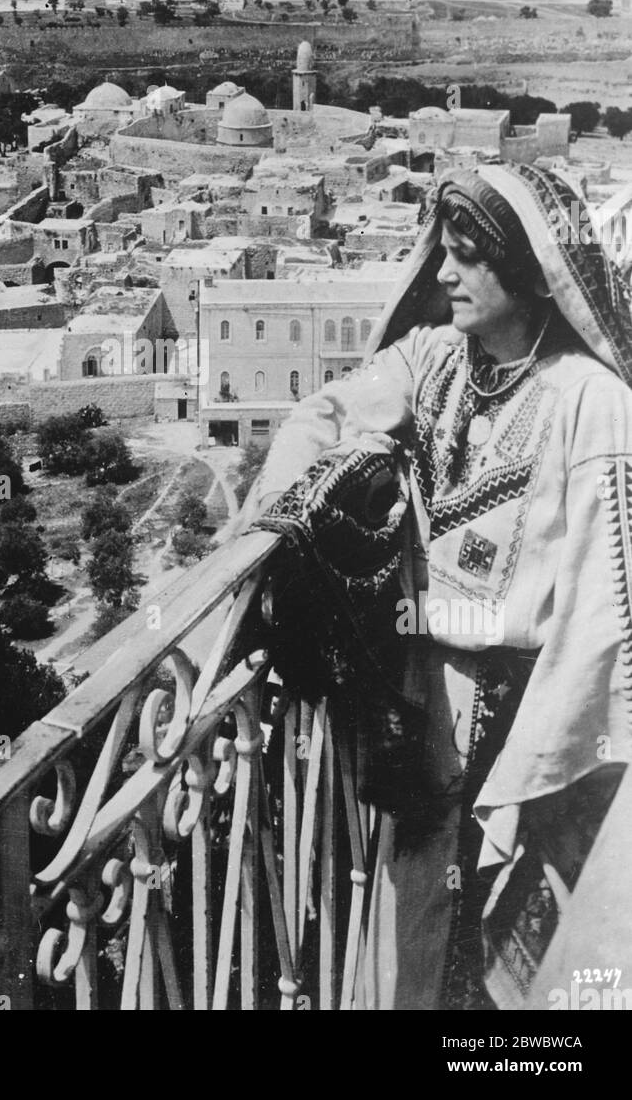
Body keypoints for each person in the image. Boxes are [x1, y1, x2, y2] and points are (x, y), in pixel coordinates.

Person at [241, 163, 632, 1009]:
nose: (442, 275)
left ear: (526, 269)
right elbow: (327, 414)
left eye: (465, 258)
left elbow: (602, 618)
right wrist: (271, 523)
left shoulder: (589, 402)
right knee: (416, 933)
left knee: (504, 962)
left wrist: (535, 772)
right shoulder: (432, 359)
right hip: (418, 707)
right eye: (442, 253)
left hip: (525, 723)